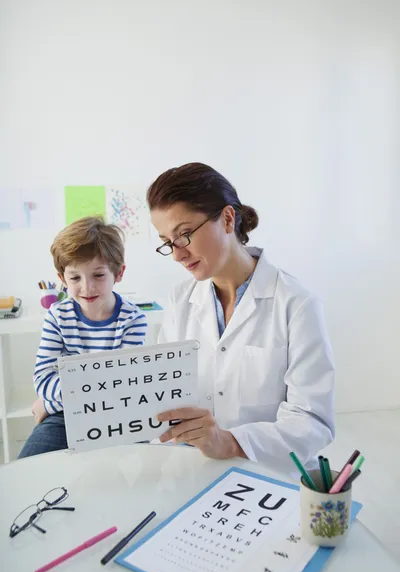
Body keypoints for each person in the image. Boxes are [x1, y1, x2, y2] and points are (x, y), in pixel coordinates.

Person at [147, 162, 334, 471]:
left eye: (184, 234)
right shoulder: (180, 301)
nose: (178, 254)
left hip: (271, 475)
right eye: (168, 242)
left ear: (227, 219)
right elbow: (167, 394)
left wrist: (230, 442)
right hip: (195, 470)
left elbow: (313, 421)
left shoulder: (296, 303)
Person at [18, 217, 147, 458]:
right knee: (29, 466)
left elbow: (124, 388)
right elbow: (43, 379)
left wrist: (50, 403)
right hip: (66, 416)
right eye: (75, 278)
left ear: (118, 273)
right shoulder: (57, 315)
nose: (87, 288)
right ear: (62, 278)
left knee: (142, 472)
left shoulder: (133, 319)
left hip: (118, 416)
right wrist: (59, 402)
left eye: (98, 275)